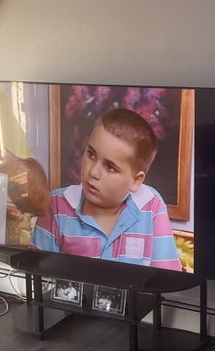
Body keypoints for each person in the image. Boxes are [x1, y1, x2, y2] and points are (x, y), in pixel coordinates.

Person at [31, 107, 182, 271]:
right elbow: (38, 277)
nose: (93, 172)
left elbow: (167, 278)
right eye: (91, 154)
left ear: (136, 180)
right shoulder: (55, 205)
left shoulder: (152, 205)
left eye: (110, 167)